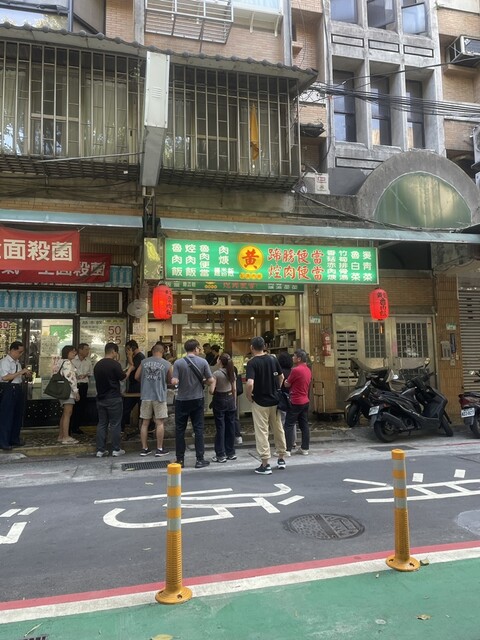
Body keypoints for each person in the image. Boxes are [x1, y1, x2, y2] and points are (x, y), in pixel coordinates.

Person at [245, 336, 287, 475]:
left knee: (262, 432)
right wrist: (277, 389)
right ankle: (281, 458)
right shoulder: (273, 359)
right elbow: (281, 377)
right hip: (275, 401)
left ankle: (265, 463)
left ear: (252, 347)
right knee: (278, 429)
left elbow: (250, 383)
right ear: (265, 347)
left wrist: (249, 396)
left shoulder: (252, 363)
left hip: (260, 401)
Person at [172, 338, 215, 469]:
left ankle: (180, 459)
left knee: (180, 430)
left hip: (182, 400)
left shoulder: (178, 363)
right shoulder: (203, 362)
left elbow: (174, 381)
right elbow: (211, 380)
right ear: (196, 348)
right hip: (197, 399)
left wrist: (179, 381)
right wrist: (203, 381)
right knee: (198, 429)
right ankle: (199, 459)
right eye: (198, 348)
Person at [94, 342, 134, 457]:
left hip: (101, 398)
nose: (116, 354)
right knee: (115, 424)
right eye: (116, 352)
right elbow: (123, 378)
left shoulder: (97, 365)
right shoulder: (114, 364)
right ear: (113, 352)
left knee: (102, 424)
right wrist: (130, 369)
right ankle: (116, 449)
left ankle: (100, 450)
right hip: (113, 398)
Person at [134, 343, 172, 457]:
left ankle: (144, 448)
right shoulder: (167, 364)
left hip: (146, 396)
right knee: (159, 423)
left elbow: (136, 376)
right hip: (159, 397)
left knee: (145, 423)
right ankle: (159, 449)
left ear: (152, 351)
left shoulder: (144, 362)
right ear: (162, 352)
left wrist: (145, 382)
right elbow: (170, 380)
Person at [0, 341, 32, 451]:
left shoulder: (17, 363)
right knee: (6, 416)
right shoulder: (5, 362)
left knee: (17, 416)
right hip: (8, 389)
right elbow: (5, 377)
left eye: (22, 352)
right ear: (12, 350)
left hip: (17, 388)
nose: (20, 354)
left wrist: (25, 374)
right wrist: (20, 372)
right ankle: (3, 441)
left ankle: (14, 438)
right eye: (19, 352)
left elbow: (18, 377)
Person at [284, 349, 312, 455]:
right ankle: (305, 448)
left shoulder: (295, 370)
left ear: (299, 359)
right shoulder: (308, 370)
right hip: (305, 400)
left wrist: (286, 381)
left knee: (289, 425)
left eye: (294, 356)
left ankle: (287, 449)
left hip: (295, 400)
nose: (292, 358)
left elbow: (287, 384)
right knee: (304, 425)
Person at [211, 353, 237, 463]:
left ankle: (220, 454)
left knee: (220, 427)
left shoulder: (216, 374)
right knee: (230, 426)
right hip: (230, 399)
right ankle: (231, 452)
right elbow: (234, 389)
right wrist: (234, 402)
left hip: (219, 399)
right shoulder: (232, 372)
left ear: (220, 361)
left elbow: (211, 391)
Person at [54, 345, 81, 445]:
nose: (75, 353)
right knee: (68, 413)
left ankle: (61, 435)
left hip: (61, 390)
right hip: (68, 391)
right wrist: (76, 391)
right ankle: (66, 437)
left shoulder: (60, 362)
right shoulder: (67, 363)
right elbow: (70, 378)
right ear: (67, 352)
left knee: (64, 414)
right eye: (72, 351)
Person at [122, 339, 145, 432]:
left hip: (137, 386)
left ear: (131, 348)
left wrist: (129, 356)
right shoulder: (138, 356)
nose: (126, 352)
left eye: (127, 349)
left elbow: (132, 367)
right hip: (135, 385)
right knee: (127, 407)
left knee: (127, 407)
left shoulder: (139, 357)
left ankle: (123, 427)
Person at [71, 342, 93, 435]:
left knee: (81, 407)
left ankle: (76, 427)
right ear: (80, 350)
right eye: (86, 349)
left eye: (88, 350)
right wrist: (75, 376)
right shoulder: (73, 360)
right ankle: (69, 427)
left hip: (84, 385)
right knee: (72, 406)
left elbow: (90, 373)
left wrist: (86, 375)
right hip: (74, 385)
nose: (88, 351)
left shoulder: (88, 361)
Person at [277, 351, 293, 430]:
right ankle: (292, 437)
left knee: (281, 420)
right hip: (291, 397)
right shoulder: (292, 371)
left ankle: (284, 436)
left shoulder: (279, 373)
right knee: (291, 421)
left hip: (282, 398)